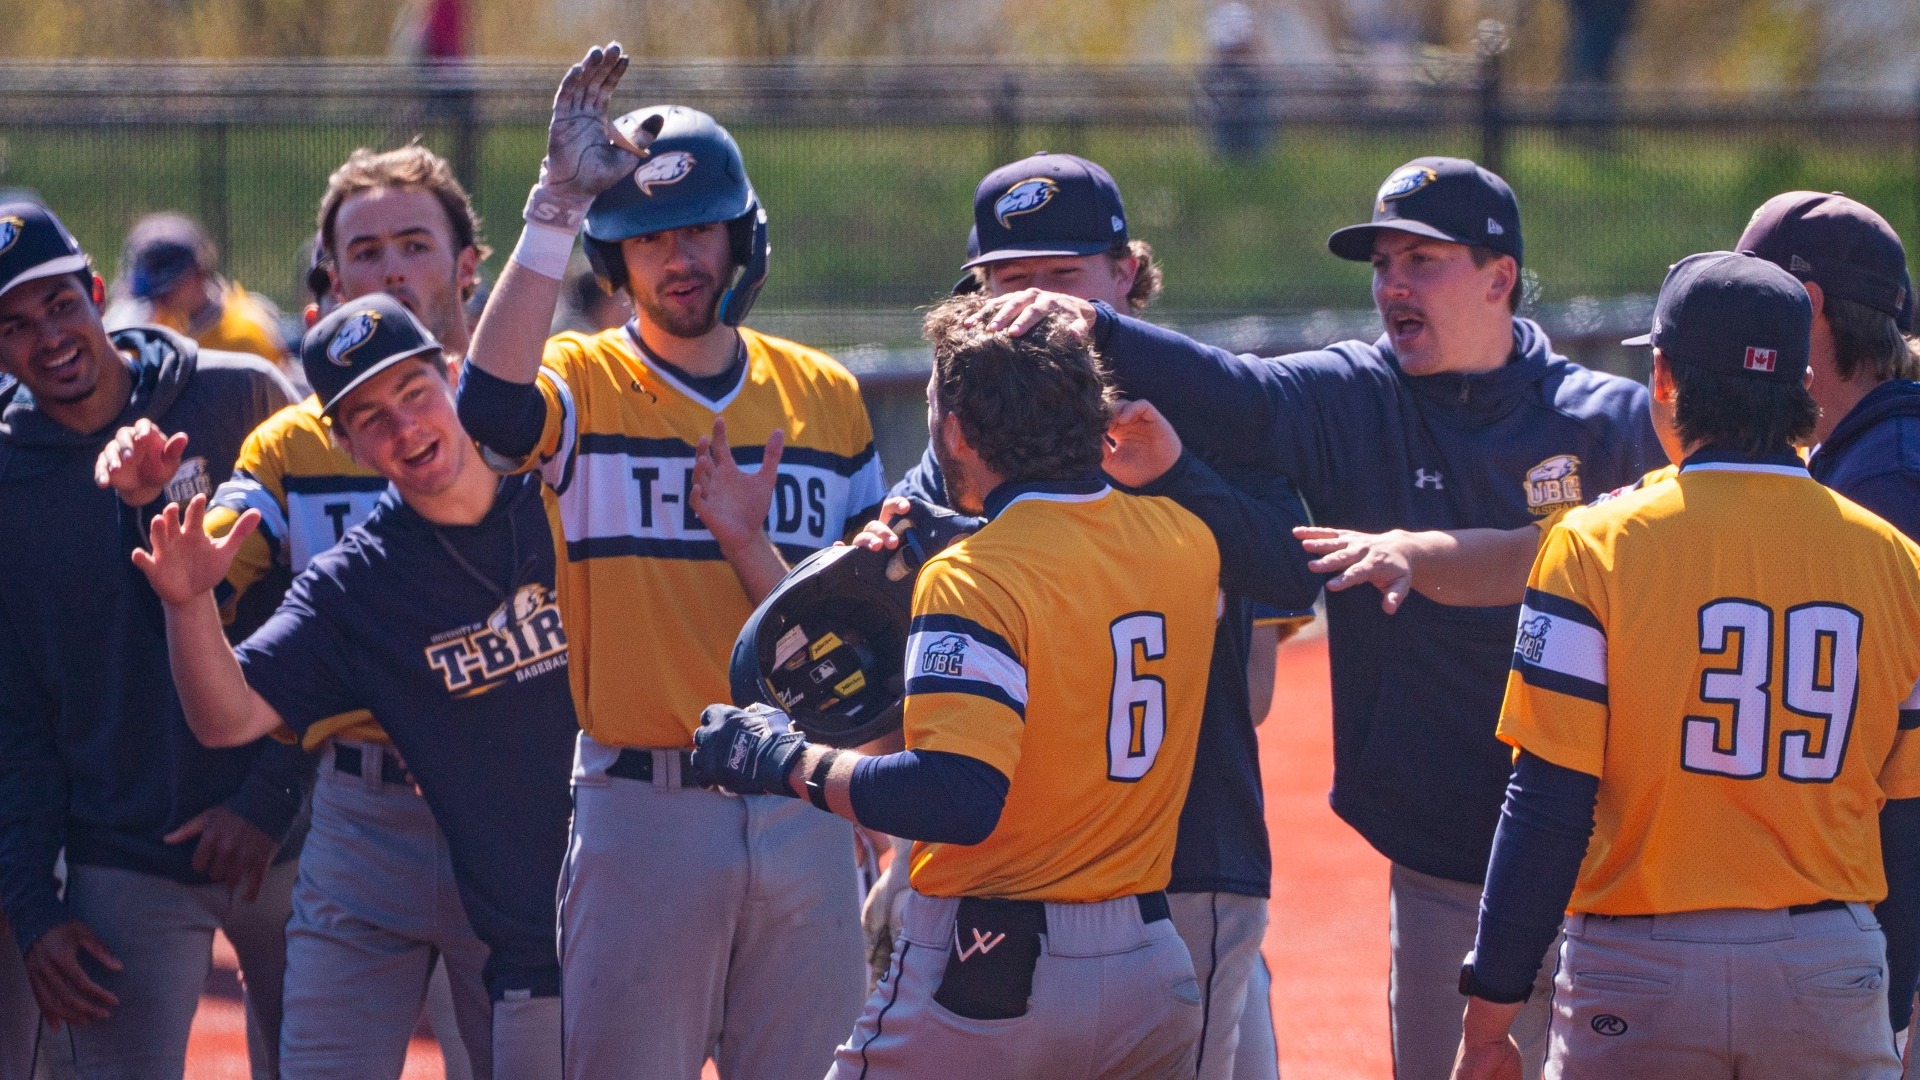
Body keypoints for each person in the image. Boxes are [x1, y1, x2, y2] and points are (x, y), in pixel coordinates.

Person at [969, 156, 1663, 1080]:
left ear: (1500, 277)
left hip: (1619, 864)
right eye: (1382, 265)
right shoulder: (1352, 394)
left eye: (1423, 260)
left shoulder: (1610, 419)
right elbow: (1235, 390)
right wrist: (1095, 324)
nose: (1393, 286)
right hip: (1444, 857)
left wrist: (1422, 554)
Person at [691, 292, 1311, 1078]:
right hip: (1150, 969)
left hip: (988, 978)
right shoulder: (1183, 542)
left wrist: (782, 760)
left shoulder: (972, 579)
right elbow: (1098, 564)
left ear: (957, 430)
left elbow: (956, 795)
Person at [457, 45, 884, 1079]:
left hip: (805, 804)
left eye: (697, 226)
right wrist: (555, 205)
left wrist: (749, 541)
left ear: (740, 238)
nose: (678, 254)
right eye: (647, 236)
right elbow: (487, 412)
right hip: (643, 808)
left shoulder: (824, 397)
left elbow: (873, 632)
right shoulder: (582, 379)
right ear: (615, 261)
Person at [884, 149, 1304, 1080]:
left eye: (1063, 280)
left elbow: (1288, 590)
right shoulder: (956, 448)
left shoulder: (1212, 417)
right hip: (1002, 876)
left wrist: (1178, 480)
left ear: (1127, 281)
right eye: (1007, 283)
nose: (1035, 309)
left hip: (1190, 853)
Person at [1452, 250, 1920, 1080]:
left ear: (1664, 376)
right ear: (1802, 381)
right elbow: (1910, 820)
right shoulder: (1896, 560)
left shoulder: (1594, 545)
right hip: (1829, 959)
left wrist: (1490, 1010)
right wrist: (1879, 1004)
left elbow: (1548, 799)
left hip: (1641, 970)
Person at [121, 293, 577, 1080]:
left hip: (560, 879)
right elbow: (227, 718)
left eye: (414, 394)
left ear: (457, 378)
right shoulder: (356, 581)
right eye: (371, 419)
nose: (405, 429)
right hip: (376, 841)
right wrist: (188, 603)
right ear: (348, 447)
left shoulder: (566, 500)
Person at [199, 144, 495, 1079]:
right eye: (365, 253)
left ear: (467, 265)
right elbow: (213, 588)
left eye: (415, 243)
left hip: (513, 800)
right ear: (330, 279)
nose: (393, 269)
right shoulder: (292, 443)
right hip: (360, 802)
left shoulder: (529, 413)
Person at [0, 200, 302, 1080]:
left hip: (292, 833)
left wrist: (270, 796)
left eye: (61, 305)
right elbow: (14, 711)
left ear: (99, 294)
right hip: (120, 861)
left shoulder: (240, 393)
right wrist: (32, 904)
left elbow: (323, 617)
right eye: (14, 325)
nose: (48, 337)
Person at [107, 213, 289, 369]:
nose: (158, 302)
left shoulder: (245, 337)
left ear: (197, 274)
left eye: (166, 292)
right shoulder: (164, 320)